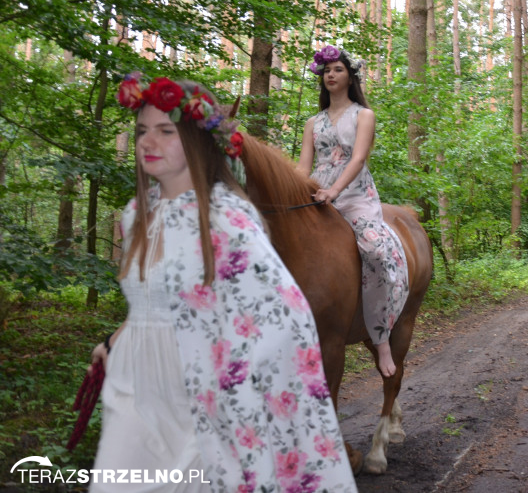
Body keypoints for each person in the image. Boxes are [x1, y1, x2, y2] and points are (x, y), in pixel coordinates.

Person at [93, 74, 356, 493]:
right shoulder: (135, 215)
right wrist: (117, 341)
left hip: (200, 393)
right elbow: (157, 299)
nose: (147, 142)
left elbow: (284, 316)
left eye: (166, 131)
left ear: (198, 141)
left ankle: (382, 332)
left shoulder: (228, 219)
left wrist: (235, 382)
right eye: (142, 130)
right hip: (134, 391)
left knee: (377, 251)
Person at [297, 43, 409, 378]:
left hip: (355, 196)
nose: (331, 75)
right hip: (317, 194)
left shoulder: (364, 115)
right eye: (327, 71)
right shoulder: (312, 122)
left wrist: (335, 190)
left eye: (338, 70)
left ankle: (381, 335)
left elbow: (358, 158)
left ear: (350, 76)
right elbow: (303, 168)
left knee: (376, 249)